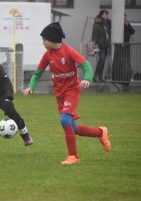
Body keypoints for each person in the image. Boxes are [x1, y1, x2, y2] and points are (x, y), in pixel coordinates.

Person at [23, 22, 111, 165]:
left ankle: (73, 156)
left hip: (72, 90)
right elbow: (37, 73)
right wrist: (31, 87)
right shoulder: (47, 55)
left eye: (44, 40)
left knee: (64, 121)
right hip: (60, 94)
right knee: (73, 128)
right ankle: (100, 133)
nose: (43, 42)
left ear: (53, 39)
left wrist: (87, 79)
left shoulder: (69, 51)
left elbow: (86, 66)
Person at [111, 14, 135, 87]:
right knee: (121, 62)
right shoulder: (118, 26)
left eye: (126, 18)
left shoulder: (127, 25)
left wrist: (128, 25)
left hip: (126, 46)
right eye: (124, 18)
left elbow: (132, 31)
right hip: (120, 46)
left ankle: (126, 77)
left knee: (127, 61)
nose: (125, 20)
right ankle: (121, 77)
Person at [92, 10, 111, 82]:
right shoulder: (97, 23)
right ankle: (97, 75)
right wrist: (95, 44)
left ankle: (100, 75)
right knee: (101, 60)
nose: (107, 16)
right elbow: (95, 34)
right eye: (105, 14)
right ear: (102, 15)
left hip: (106, 44)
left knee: (103, 60)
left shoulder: (108, 23)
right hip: (100, 44)